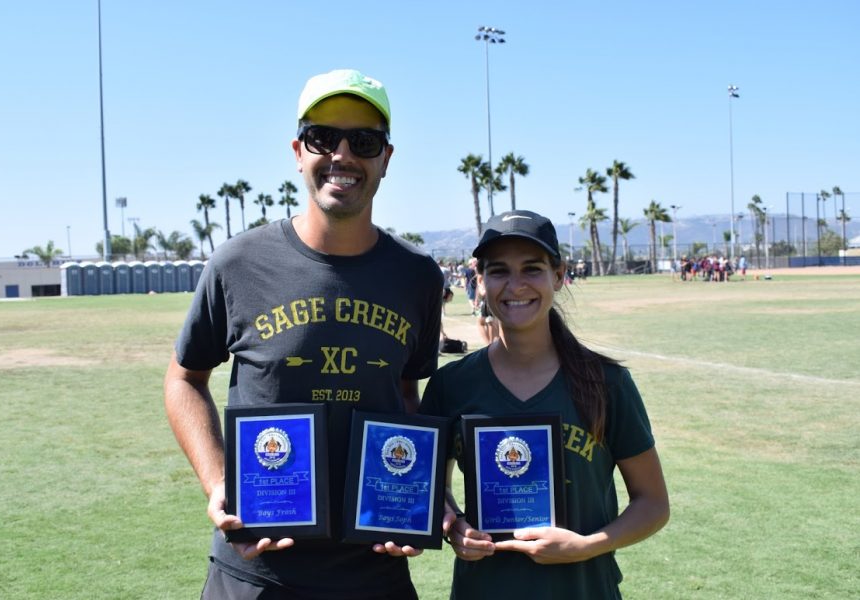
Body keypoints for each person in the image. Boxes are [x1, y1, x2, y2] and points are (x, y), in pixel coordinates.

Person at [164, 69, 444, 600]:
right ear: (298, 150)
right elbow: (184, 378)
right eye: (322, 137)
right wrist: (219, 480)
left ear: (386, 158)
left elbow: (405, 396)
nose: (342, 155)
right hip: (258, 568)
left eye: (363, 141)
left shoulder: (417, 276)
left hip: (374, 571)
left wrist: (419, 497)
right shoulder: (238, 262)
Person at [420, 210, 669, 599]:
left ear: (558, 274)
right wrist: (455, 527)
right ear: (480, 281)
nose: (516, 286)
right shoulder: (451, 384)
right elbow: (432, 487)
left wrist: (587, 546)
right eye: (499, 271)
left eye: (532, 269)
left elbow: (653, 503)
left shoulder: (606, 383)